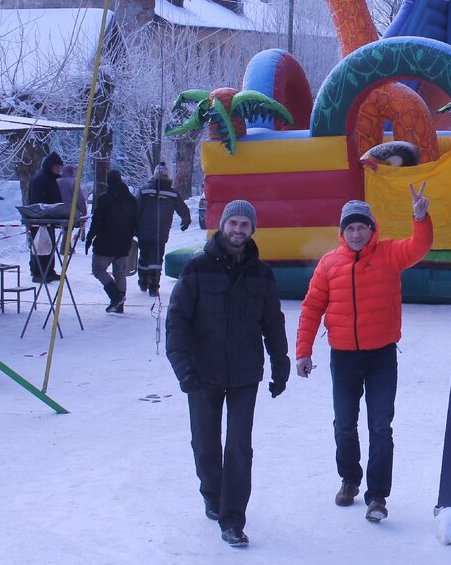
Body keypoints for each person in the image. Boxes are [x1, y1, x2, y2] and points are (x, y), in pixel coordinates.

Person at [295, 185, 432, 524]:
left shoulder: (389, 254)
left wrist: (420, 216)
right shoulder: (329, 264)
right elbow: (312, 307)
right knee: (344, 425)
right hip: (343, 359)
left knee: (380, 427)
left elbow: (420, 246)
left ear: (372, 229)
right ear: (343, 232)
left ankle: (377, 496)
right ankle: (350, 479)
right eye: (350, 228)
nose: (356, 233)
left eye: (362, 227)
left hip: (381, 357)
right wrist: (303, 351)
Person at [166, 200, 290, 549]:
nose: (238, 230)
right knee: (206, 444)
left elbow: (272, 321)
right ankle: (212, 493)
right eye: (233, 223)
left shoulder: (261, 274)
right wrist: (182, 367)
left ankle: (233, 519)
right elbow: (177, 321)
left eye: (245, 225)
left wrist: (280, 363)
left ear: (253, 230)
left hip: (244, 375)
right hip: (202, 374)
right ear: (222, 226)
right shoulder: (197, 268)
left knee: (238, 448)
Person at [84, 169, 138, 314]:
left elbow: (97, 221)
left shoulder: (104, 199)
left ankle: (115, 296)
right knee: (120, 271)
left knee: (98, 269)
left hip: (105, 242)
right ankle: (119, 305)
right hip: (124, 241)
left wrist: (90, 237)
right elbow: (135, 221)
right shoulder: (132, 200)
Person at [136, 161, 191, 298]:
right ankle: (154, 287)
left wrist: (133, 226)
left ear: (154, 176)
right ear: (167, 177)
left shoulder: (144, 191)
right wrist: (186, 220)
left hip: (143, 231)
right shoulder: (172, 194)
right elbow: (183, 209)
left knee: (143, 257)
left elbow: (135, 210)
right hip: (161, 232)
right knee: (156, 259)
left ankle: (143, 282)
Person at [26, 151, 64, 283]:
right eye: (57, 167)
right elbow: (39, 201)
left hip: (48, 218)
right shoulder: (41, 180)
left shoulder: (49, 178)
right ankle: (38, 272)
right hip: (40, 219)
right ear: (51, 166)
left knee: (49, 245)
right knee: (40, 246)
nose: (59, 170)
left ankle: (48, 271)